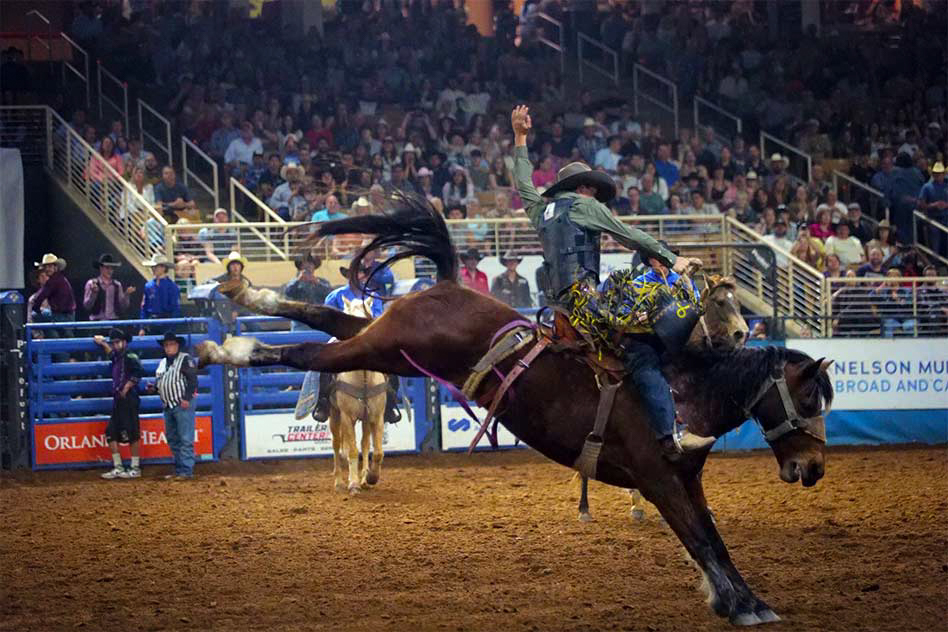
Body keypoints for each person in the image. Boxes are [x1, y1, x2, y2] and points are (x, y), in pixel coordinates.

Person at [510, 105, 709, 459]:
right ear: (586, 187)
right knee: (643, 351)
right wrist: (671, 258)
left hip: (557, 302)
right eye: (595, 191)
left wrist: (520, 137)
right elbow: (627, 234)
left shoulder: (542, 211)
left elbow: (524, 183)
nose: (598, 198)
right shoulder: (585, 205)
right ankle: (668, 436)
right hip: (584, 301)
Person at [312, 263, 401, 424]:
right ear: (347, 276)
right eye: (352, 273)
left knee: (391, 365)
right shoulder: (335, 296)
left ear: (363, 276)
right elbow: (327, 320)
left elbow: (378, 320)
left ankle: (390, 404)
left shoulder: (373, 297)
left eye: (359, 273)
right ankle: (323, 403)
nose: (356, 276)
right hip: (342, 339)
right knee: (324, 365)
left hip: (368, 340)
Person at [93, 328, 144, 479]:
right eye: (113, 343)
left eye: (117, 342)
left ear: (124, 342)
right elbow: (111, 353)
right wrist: (102, 343)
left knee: (132, 431)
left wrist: (127, 387)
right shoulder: (118, 356)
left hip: (129, 398)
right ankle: (119, 466)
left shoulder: (129, 356)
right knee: (111, 431)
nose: (115, 345)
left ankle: (134, 467)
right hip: (120, 398)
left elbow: (139, 372)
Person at [150, 332, 198, 480]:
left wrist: (187, 398)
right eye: (166, 345)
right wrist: (154, 388)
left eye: (171, 344)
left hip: (181, 403)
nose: (169, 347)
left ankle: (186, 471)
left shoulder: (185, 359)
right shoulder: (163, 363)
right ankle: (180, 469)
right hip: (169, 404)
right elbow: (162, 382)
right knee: (173, 438)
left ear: (177, 346)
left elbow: (192, 380)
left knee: (184, 438)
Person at [84, 254, 135, 321]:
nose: (110, 271)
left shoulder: (117, 285)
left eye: (112, 268)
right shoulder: (91, 283)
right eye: (107, 268)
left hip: (113, 321)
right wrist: (93, 293)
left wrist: (126, 295)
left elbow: (123, 307)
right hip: (96, 321)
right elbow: (87, 305)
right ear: (101, 268)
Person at [918, 161, 947, 257]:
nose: (938, 176)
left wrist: (946, 205)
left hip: (946, 218)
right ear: (933, 174)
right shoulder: (927, 187)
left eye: (940, 174)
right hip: (932, 219)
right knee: (935, 244)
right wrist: (934, 205)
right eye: (936, 174)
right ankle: (936, 264)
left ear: (944, 174)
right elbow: (921, 204)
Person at [140, 254, 181, 323]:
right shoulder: (148, 286)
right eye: (152, 267)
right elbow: (144, 307)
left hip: (167, 321)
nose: (153, 269)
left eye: (156, 267)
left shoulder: (172, 286)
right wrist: (142, 327)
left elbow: (175, 308)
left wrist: (172, 328)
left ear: (163, 268)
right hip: (151, 322)